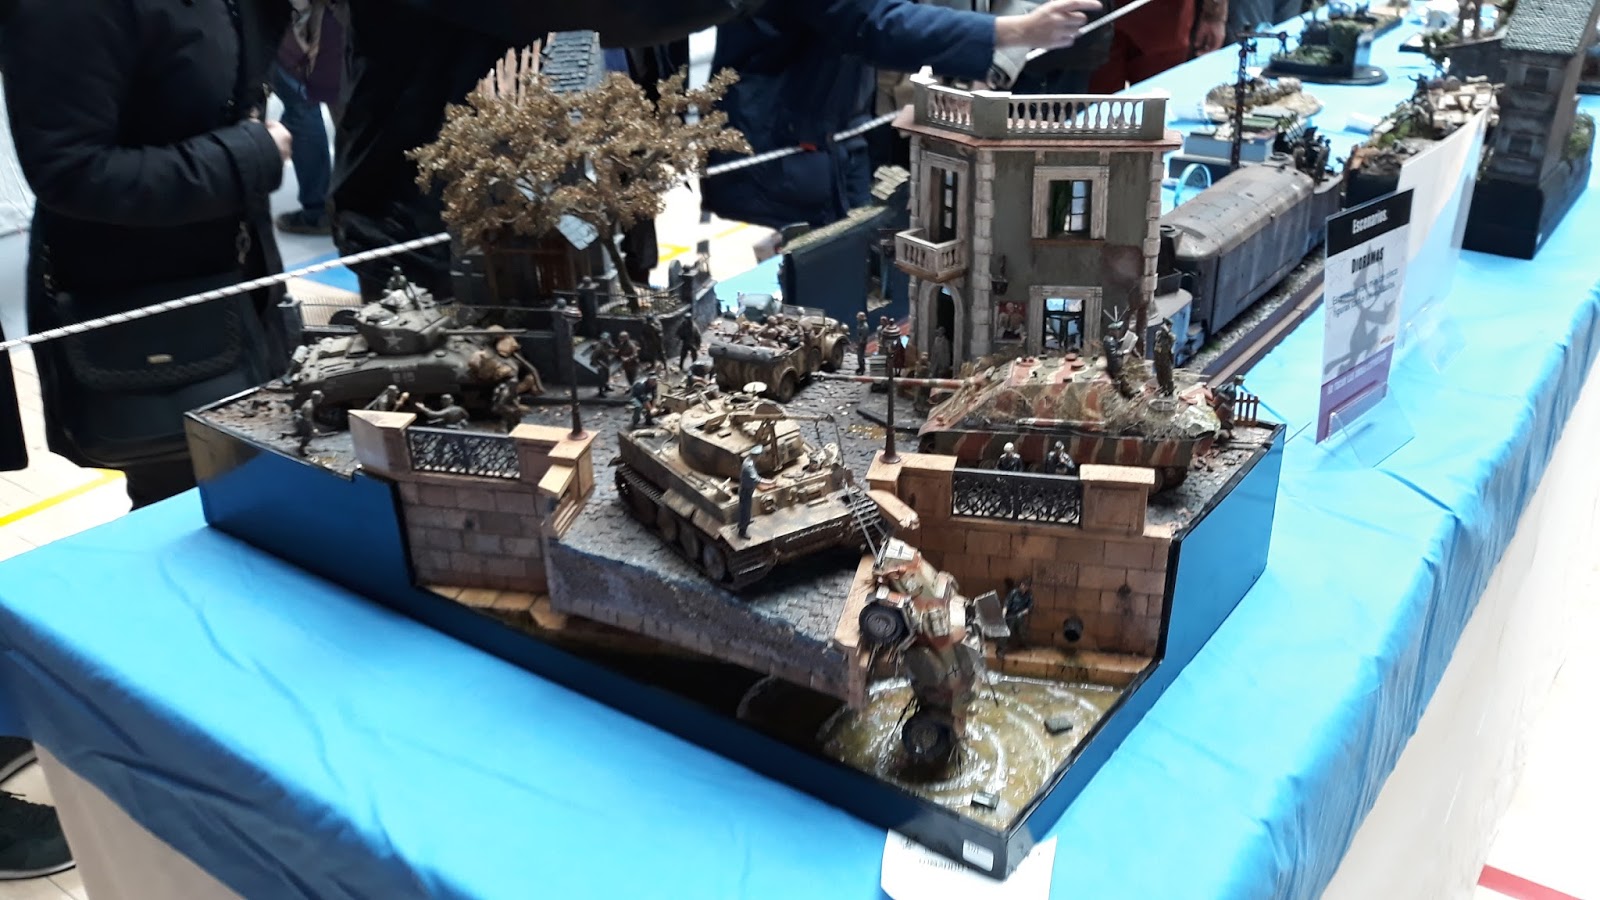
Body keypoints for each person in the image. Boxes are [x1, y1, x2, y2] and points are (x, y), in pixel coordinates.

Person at [2, 0, 294, 510]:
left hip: (239, 286)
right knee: (193, 513)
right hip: (154, 322)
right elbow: (71, 170)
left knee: (266, 499)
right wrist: (248, 156)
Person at [701, 0, 1102, 232]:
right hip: (782, 147)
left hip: (831, 136)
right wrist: (1013, 32)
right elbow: (874, 23)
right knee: (821, 267)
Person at [273, 2, 345, 235]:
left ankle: (319, 210)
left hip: (311, 17)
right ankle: (363, 203)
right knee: (346, 100)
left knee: (301, 105)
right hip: (341, 15)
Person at [1090, 0, 1226, 93]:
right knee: (1098, 114)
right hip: (1100, 19)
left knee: (1158, 109)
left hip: (1165, 23)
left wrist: (1214, 14)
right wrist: (1214, 15)